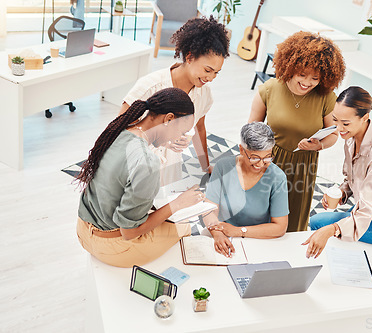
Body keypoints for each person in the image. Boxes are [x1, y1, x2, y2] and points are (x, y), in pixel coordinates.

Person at [76, 88, 206, 268]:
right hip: (111, 247)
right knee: (184, 227)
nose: (180, 137)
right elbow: (129, 233)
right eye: (182, 131)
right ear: (168, 119)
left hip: (83, 229)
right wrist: (179, 203)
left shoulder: (121, 128)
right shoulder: (147, 162)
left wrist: (162, 141)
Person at [248, 31, 346, 232]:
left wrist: (319, 145)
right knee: (259, 218)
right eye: (302, 74)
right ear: (290, 67)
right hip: (268, 161)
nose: (307, 82)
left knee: (292, 221)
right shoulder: (270, 89)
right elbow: (250, 131)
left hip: (303, 165)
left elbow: (334, 134)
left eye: (315, 78)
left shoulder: (326, 98)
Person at [303, 86, 372, 258]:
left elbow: (365, 211)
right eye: (335, 120)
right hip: (369, 209)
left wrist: (331, 230)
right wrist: (342, 192)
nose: (339, 128)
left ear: (365, 118)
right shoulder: (351, 138)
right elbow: (353, 178)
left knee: (319, 224)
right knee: (325, 224)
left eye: (345, 123)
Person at [120, 16, 230, 185]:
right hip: (135, 169)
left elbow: (199, 129)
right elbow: (119, 131)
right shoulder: (150, 87)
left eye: (216, 72)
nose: (211, 78)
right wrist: (161, 138)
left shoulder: (204, 95)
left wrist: (205, 166)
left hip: (169, 170)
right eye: (208, 70)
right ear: (190, 56)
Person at [203, 122, 289, 257]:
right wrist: (217, 234)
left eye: (267, 157)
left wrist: (238, 231)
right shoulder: (223, 167)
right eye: (255, 158)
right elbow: (208, 209)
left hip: (258, 239)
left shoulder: (277, 177)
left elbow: (280, 227)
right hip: (221, 234)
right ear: (242, 150)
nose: (261, 164)